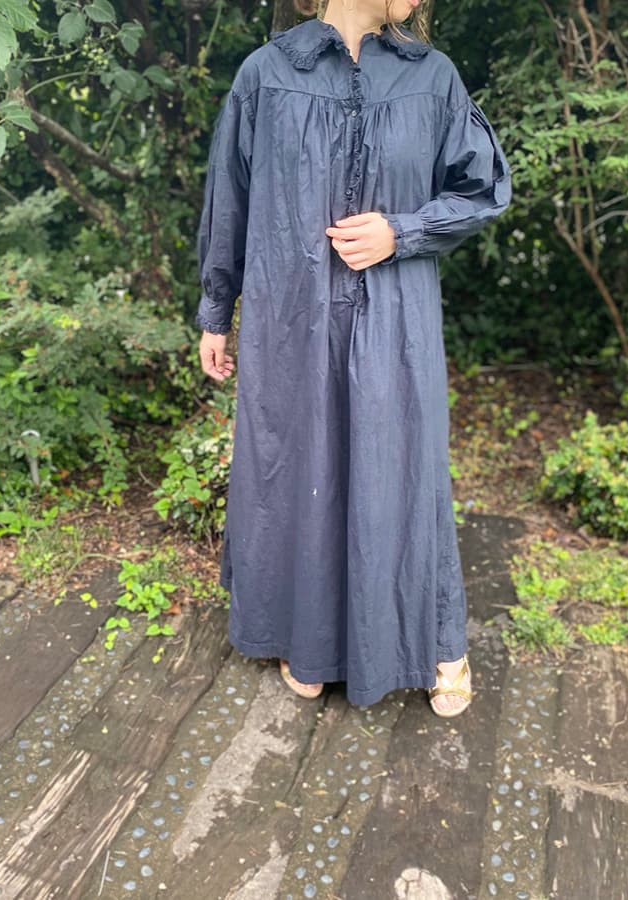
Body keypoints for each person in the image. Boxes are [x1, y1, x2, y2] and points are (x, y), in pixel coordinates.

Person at [195, 0, 511, 716]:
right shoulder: (266, 75)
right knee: (301, 470)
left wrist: (403, 230)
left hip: (396, 319)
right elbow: (230, 201)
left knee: (402, 468)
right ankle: (308, 639)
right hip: (291, 316)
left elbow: (483, 189)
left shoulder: (432, 77)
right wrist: (217, 310)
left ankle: (437, 642)